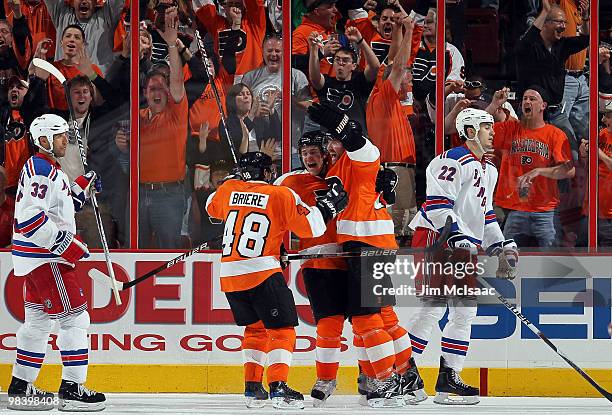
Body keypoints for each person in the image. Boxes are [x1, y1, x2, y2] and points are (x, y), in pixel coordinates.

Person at [206, 151, 348, 409]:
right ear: (267, 173)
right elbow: (312, 228)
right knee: (282, 330)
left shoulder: (228, 189)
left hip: (229, 275)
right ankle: (278, 387)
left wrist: (231, 181)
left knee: (256, 329)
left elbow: (210, 206)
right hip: (261, 272)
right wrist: (327, 207)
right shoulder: (280, 194)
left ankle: (252, 388)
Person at [407, 108, 519, 405]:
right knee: (432, 308)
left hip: (462, 244)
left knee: (465, 312)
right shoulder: (451, 160)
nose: (492, 132)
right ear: (470, 131)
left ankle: (449, 379)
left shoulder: (489, 169)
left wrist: (499, 246)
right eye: (486, 127)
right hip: (437, 240)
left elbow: (486, 215)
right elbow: (437, 206)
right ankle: (402, 372)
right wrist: (460, 238)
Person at [307, 102, 416, 408]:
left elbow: (361, 146)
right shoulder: (339, 166)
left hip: (370, 244)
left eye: (336, 139)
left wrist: (341, 123)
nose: (332, 144)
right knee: (379, 318)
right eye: (329, 140)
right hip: (359, 247)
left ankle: (389, 380)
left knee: (369, 318)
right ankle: (407, 376)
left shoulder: (362, 157)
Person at [8, 113, 105, 411]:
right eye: (60, 135)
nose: (66, 140)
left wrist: (81, 187)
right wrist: (65, 245)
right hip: (46, 258)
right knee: (75, 318)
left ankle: (20, 387)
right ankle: (72, 390)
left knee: (37, 323)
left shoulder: (49, 168)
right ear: (45, 140)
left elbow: (60, 208)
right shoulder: (41, 169)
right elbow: (30, 219)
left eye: (65, 134)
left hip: (36, 259)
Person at [489, 87, 575, 248]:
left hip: (545, 209)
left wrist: (540, 171)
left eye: (532, 99)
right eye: (524, 99)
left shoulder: (555, 134)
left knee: (551, 260)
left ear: (543, 106)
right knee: (506, 258)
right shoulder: (510, 129)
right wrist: (494, 105)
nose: (527, 102)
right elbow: (477, 131)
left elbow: (569, 170)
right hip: (515, 208)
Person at [139, 7, 188, 249]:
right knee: (135, 250)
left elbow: (178, 82)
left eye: (162, 87)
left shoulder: (176, 113)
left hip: (169, 195)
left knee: (168, 251)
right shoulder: (137, 118)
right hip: (138, 194)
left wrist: (171, 46)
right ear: (145, 93)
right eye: (152, 88)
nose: (157, 92)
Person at [308, 26, 380, 136]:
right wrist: (313, 49)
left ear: (353, 66)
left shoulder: (359, 82)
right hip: (330, 140)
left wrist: (360, 41)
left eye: (345, 60)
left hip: (356, 138)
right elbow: (314, 78)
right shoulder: (327, 83)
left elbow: (375, 66)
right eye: (337, 59)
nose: (340, 63)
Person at [44, 0, 124, 74]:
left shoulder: (107, 16)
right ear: (73, 2)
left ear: (95, 2)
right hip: (63, 86)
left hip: (97, 86)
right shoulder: (61, 15)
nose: (84, 1)